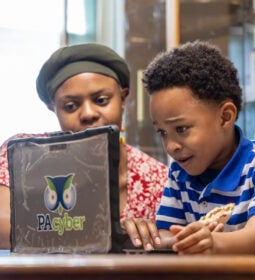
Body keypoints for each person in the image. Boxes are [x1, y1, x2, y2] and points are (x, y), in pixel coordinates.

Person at [142, 40, 255, 256]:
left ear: (225, 117)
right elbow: (166, 233)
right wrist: (150, 237)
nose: (171, 146)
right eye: (162, 132)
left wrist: (212, 243)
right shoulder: (180, 173)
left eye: (182, 128)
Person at [0, 43, 168, 250]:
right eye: (70, 106)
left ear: (123, 98)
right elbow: (2, 229)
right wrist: (109, 233)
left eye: (101, 100)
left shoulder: (157, 178)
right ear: (53, 108)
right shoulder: (25, 155)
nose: (88, 113)